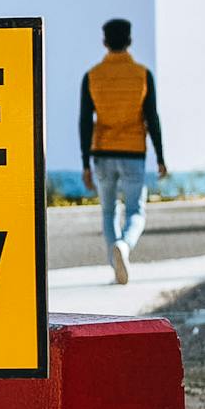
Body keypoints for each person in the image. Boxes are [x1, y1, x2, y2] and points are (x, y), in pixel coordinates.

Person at [79, 18, 168, 285]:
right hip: (133, 152)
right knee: (136, 212)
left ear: (104, 42)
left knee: (108, 211)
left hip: (103, 152)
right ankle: (126, 246)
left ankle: (115, 258)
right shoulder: (142, 74)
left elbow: (85, 121)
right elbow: (152, 118)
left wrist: (85, 162)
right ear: (129, 41)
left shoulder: (92, 76)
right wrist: (160, 157)